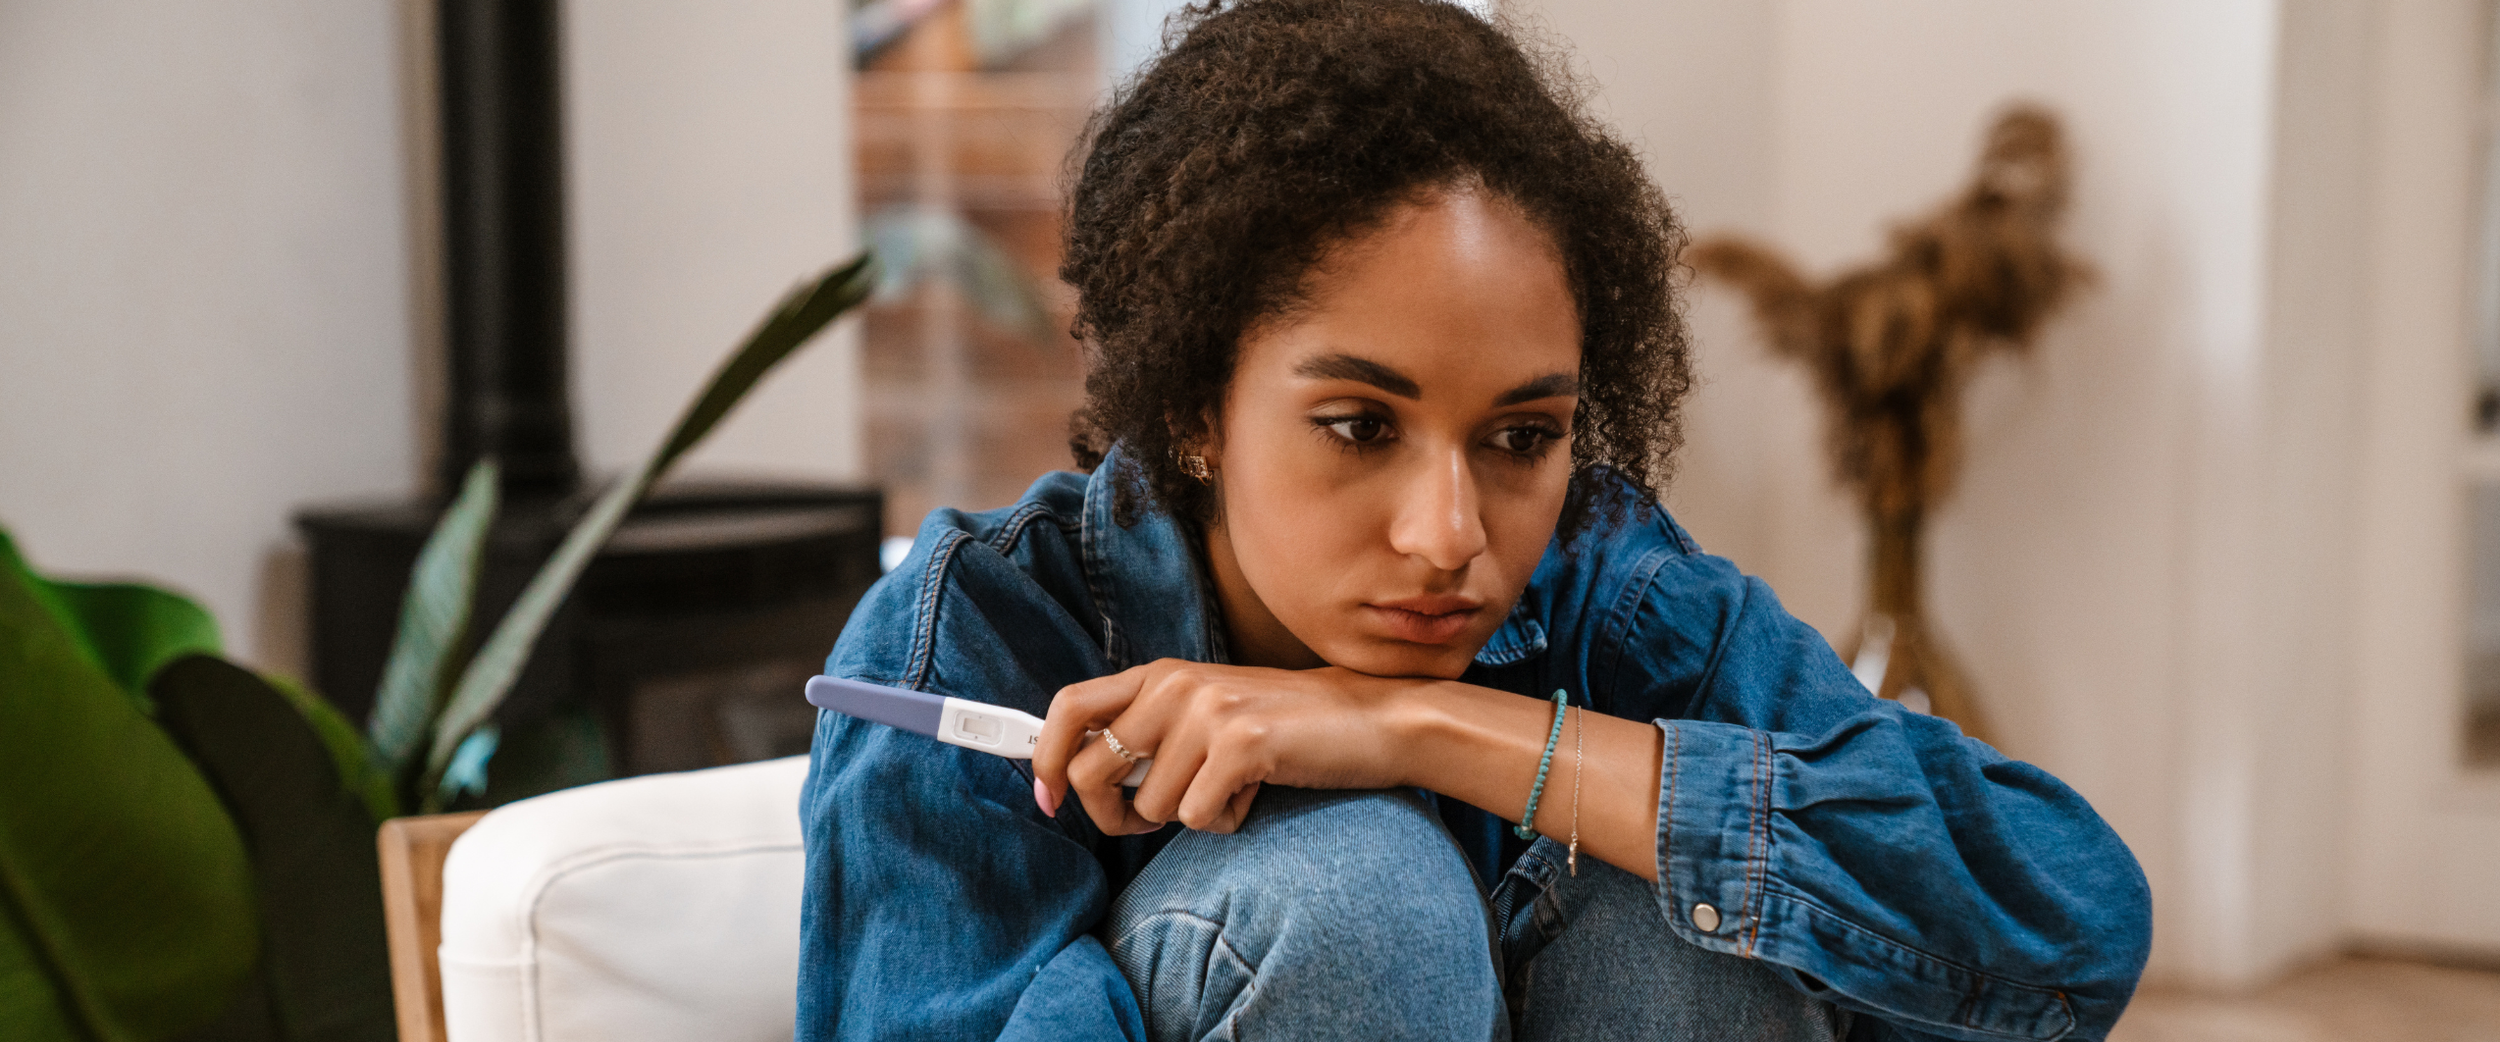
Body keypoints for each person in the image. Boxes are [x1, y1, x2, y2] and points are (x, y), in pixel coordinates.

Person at [797, 1, 2151, 1039]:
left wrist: (1425, 728)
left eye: (1521, 438)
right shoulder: (973, 634)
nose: (1451, 534)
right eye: (1360, 426)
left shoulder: (1604, 581)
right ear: (1195, 409)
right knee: (1360, 896)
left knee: (1680, 933)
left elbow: (2070, 912)